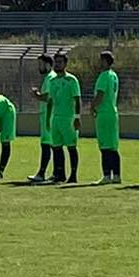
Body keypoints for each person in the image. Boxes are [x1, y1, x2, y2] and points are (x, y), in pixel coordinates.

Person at [45, 48, 82, 185]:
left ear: (65, 64)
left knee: (71, 147)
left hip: (68, 118)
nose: (57, 65)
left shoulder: (71, 80)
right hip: (56, 118)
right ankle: (59, 174)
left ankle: (73, 175)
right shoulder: (53, 81)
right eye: (56, 62)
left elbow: (77, 99)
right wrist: (48, 119)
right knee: (56, 147)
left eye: (60, 62)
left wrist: (77, 117)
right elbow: (50, 101)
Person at [91, 50, 122, 184]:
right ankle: (116, 175)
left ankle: (106, 175)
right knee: (113, 146)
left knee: (104, 146)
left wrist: (92, 106)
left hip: (104, 113)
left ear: (105, 61)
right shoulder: (114, 75)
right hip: (113, 112)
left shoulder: (104, 76)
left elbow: (100, 95)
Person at [30, 53, 56, 183]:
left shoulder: (51, 78)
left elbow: (49, 98)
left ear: (47, 65)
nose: (38, 67)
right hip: (46, 115)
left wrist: (36, 95)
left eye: (40, 64)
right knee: (49, 145)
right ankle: (52, 172)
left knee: (48, 145)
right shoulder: (48, 78)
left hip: (49, 116)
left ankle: (42, 173)